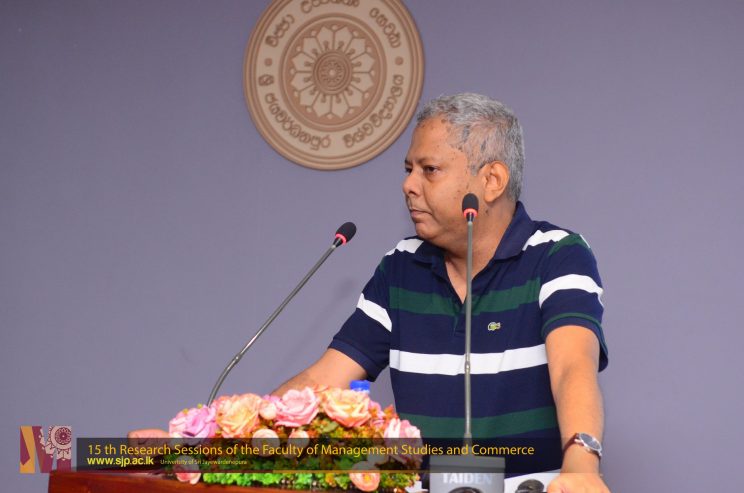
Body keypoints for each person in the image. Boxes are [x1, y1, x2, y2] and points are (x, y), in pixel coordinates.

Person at [131, 93, 610, 493]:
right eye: (408, 168)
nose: (408, 185)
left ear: (491, 181)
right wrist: (212, 449)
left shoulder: (558, 255)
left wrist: (581, 466)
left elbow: (573, 366)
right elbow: (323, 381)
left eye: (429, 170)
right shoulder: (402, 266)